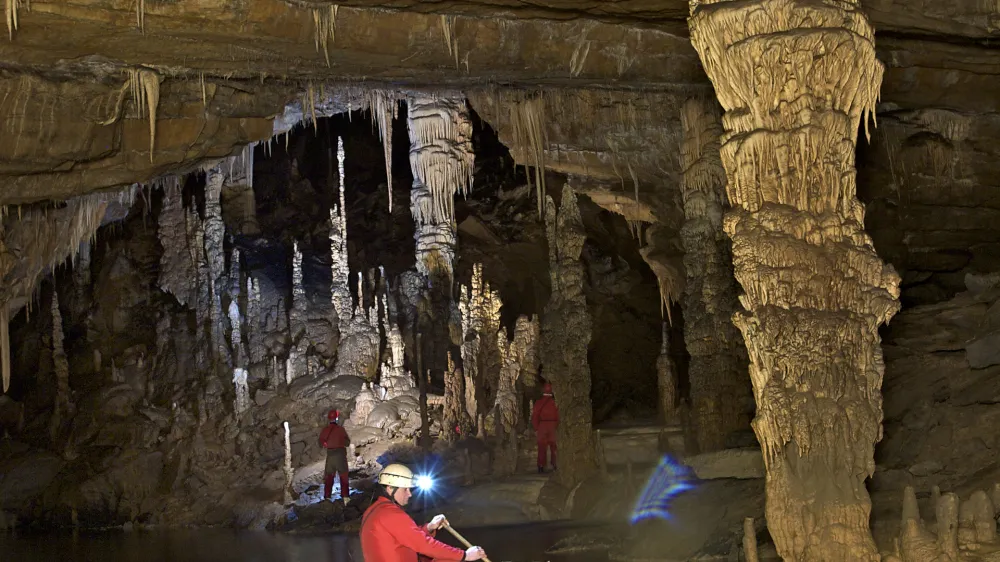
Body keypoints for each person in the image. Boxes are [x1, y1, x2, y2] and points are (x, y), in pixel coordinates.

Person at [361, 463, 488, 562]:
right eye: (405, 490)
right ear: (390, 488)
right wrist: (465, 555)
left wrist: (430, 527)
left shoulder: (374, 510)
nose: (410, 494)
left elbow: (407, 537)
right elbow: (424, 545)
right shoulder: (391, 515)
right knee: (452, 559)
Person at [318, 409, 351, 501]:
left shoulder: (325, 430)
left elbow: (321, 443)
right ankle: (345, 497)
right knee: (343, 476)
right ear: (336, 418)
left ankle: (327, 497)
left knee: (329, 477)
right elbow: (347, 443)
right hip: (340, 455)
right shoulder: (340, 429)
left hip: (330, 456)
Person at [531, 381, 559, 473]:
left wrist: (536, 428)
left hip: (542, 426)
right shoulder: (556, 403)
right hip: (553, 425)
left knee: (541, 447)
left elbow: (535, 416)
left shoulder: (539, 402)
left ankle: (541, 465)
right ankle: (555, 464)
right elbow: (559, 415)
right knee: (554, 446)